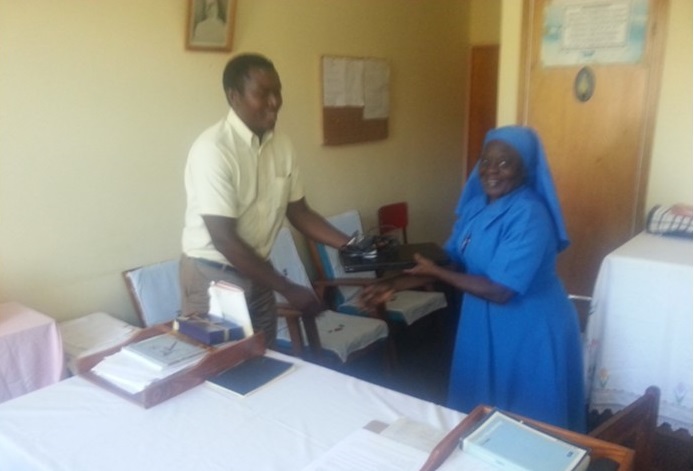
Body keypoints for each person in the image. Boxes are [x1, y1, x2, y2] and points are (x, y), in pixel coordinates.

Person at [361, 126, 586, 431]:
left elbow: (501, 290)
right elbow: (450, 259)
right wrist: (393, 284)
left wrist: (436, 273)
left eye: (504, 163)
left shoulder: (531, 215)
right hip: (482, 321)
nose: (491, 170)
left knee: (529, 418)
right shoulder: (477, 207)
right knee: (482, 412)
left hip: (528, 328)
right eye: (485, 161)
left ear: (525, 168)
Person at [181, 53, 350, 348]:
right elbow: (224, 239)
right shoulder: (213, 150)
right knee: (220, 366)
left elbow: (300, 213)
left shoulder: (282, 145)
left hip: (257, 269)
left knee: (263, 355)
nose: (275, 102)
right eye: (263, 93)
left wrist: (354, 247)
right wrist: (287, 288)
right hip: (212, 274)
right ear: (234, 97)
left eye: (278, 91)